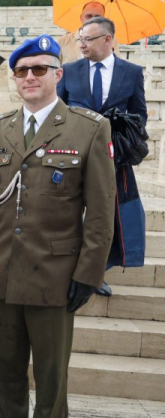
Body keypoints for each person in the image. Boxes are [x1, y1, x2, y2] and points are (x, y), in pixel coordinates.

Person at [0, 35, 115, 418]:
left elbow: (100, 211)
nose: (31, 77)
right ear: (15, 79)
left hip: (55, 276)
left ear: (59, 73)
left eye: (40, 69)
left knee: (51, 380)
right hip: (0, 273)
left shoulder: (88, 128)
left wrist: (88, 273)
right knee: (6, 373)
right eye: (23, 71)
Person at [57, 16, 147, 297]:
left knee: (104, 217)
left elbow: (140, 115)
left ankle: (95, 273)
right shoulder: (68, 71)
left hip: (112, 159)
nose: (81, 44)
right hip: (70, 156)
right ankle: (63, 268)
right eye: (80, 38)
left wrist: (122, 123)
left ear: (108, 40)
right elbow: (56, 111)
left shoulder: (131, 72)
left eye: (88, 39)